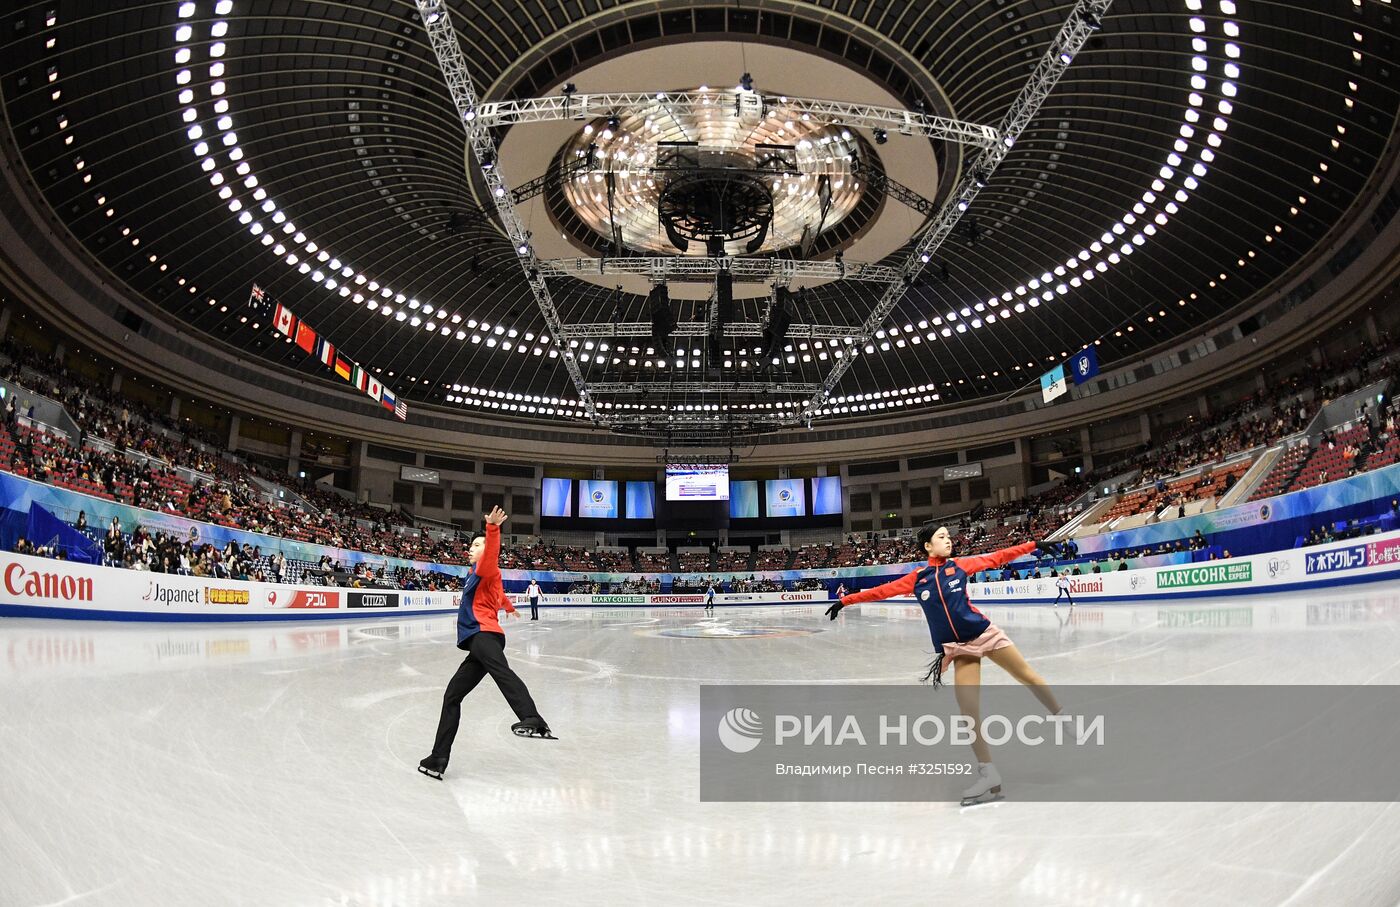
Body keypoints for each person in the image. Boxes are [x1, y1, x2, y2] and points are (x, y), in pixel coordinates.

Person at [826, 525, 1062, 806]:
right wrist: (845, 601)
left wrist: (1033, 544)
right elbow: (880, 591)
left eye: (949, 537)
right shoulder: (917, 579)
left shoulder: (961, 566)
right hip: (960, 649)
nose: (948, 540)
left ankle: (1061, 714)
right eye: (942, 537)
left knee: (1026, 675)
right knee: (968, 712)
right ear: (928, 546)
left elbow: (998, 557)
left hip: (985, 634)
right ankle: (989, 773)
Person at [419, 507, 554, 780]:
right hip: (480, 640)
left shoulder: (485, 566)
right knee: (452, 697)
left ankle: (532, 718)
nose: (471, 548)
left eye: (476, 544)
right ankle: (438, 758)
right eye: (471, 544)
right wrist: (508, 606)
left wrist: (492, 529)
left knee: (501, 673)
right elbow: (497, 592)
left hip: (484, 634)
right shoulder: (475, 574)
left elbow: (492, 555)